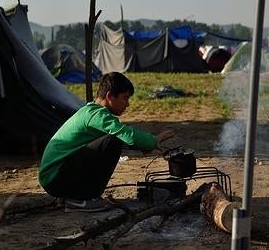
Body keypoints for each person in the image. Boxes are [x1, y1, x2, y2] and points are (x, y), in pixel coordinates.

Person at [38, 72, 175, 212]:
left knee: (113, 140)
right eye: (125, 98)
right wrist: (153, 141)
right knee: (112, 142)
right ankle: (81, 199)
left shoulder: (90, 111)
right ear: (109, 96)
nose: (127, 104)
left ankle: (72, 195)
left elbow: (125, 137)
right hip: (55, 177)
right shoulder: (97, 115)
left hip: (53, 177)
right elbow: (126, 134)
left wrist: (142, 145)